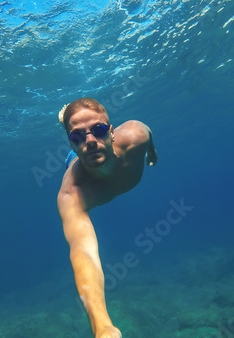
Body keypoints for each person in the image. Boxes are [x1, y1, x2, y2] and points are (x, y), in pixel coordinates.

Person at [57, 98, 158, 338]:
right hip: (76, 166)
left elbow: (148, 132)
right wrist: (102, 326)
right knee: (72, 164)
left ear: (112, 132)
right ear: (71, 144)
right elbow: (84, 254)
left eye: (99, 130)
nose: (90, 142)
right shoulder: (72, 194)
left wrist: (152, 153)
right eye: (77, 137)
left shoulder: (136, 136)